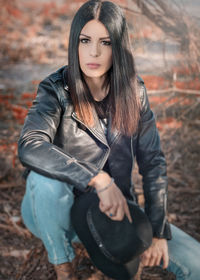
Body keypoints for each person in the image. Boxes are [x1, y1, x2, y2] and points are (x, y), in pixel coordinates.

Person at [18, 0, 200, 279]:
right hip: (56, 212)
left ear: (119, 47)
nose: (94, 52)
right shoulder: (55, 89)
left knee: (196, 263)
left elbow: (153, 162)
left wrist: (157, 229)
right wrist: (97, 178)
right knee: (46, 182)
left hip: (111, 214)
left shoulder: (135, 92)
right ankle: (63, 267)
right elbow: (31, 145)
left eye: (105, 42)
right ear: (74, 43)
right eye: (85, 40)